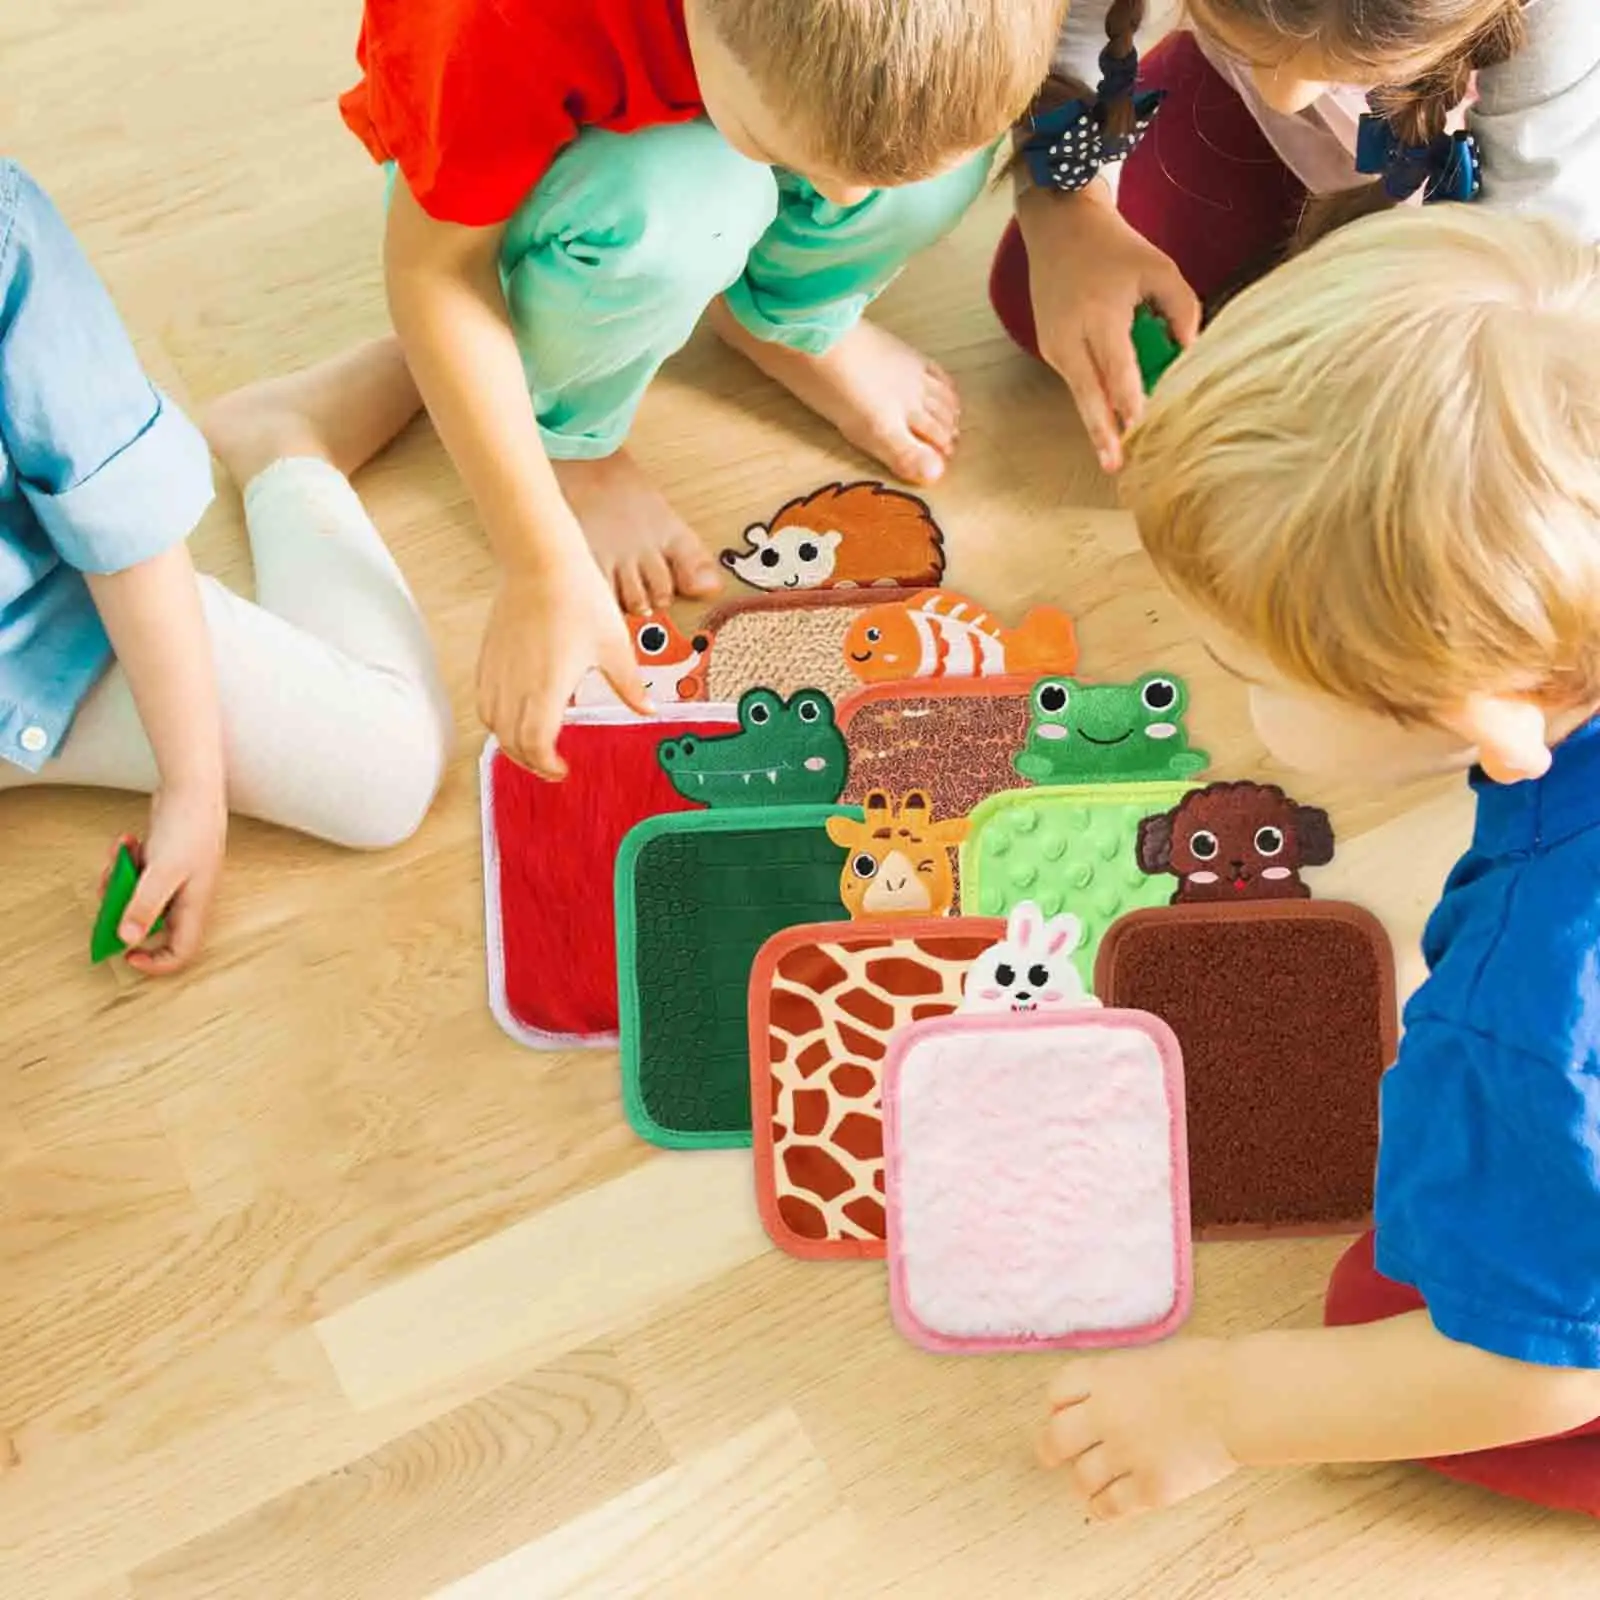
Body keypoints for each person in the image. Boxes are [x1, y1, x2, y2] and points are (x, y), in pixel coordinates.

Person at [1038, 205, 1600, 1518]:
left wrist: (1224, 1403)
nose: (1218, 694)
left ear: (1484, 713)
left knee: (1389, 1310)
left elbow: (1537, 1375)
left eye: (1245, 667)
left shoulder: (1522, 1005)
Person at [339, 0, 1065, 777]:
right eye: (788, 153)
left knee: (917, 178)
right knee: (692, 206)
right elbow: (435, 271)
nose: (843, 201)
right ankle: (569, 433)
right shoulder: (499, 24)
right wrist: (539, 562)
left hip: (743, 79)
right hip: (534, 153)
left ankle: (785, 312)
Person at [0, 161, 452, 974]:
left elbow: (121, 520)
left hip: (33, 636)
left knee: (385, 770)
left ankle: (286, 443)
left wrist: (191, 785)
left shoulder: (7, 236)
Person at [993, 0, 1600, 472]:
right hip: (1290, 130)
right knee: (1054, 304)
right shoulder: (1281, 78)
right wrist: (1070, 214)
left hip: (1467, 190)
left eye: (1352, 69)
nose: (1281, 94)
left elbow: (1531, 229)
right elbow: (1070, 30)